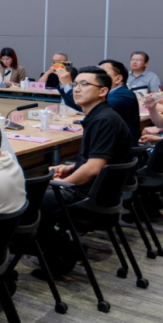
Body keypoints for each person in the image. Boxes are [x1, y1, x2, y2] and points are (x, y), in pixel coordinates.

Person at [36, 67, 132, 277]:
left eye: (85, 84)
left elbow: (94, 168)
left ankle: (61, 252)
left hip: (89, 197)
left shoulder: (103, 120)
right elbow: (97, 161)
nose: (77, 89)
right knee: (37, 190)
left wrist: (64, 183)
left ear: (103, 91)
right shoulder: (100, 116)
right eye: (76, 84)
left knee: (31, 197)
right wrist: (72, 167)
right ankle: (57, 247)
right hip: (98, 192)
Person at [56, 60, 140, 140]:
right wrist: (64, 84)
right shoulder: (111, 93)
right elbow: (75, 103)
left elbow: (94, 107)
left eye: (102, 72)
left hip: (118, 146)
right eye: (75, 84)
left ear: (118, 79)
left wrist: (67, 84)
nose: (97, 75)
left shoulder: (125, 95)